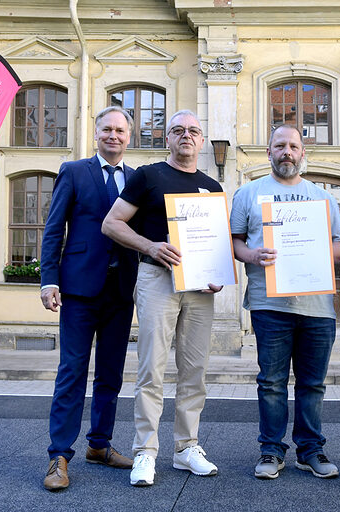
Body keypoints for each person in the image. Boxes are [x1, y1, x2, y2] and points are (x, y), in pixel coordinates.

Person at [102, 110, 223, 487]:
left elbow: (216, 242)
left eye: (193, 131)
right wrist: (151, 247)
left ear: (201, 141)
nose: (186, 136)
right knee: (151, 369)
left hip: (199, 289)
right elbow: (112, 223)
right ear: (166, 138)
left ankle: (186, 448)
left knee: (194, 371)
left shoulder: (212, 187)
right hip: (156, 278)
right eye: (178, 130)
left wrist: (216, 274)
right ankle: (145, 452)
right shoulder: (148, 176)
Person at [229, 124, 340, 480]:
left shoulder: (323, 197)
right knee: (272, 382)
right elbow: (234, 242)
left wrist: (315, 250)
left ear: (302, 153)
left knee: (313, 383)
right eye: (279, 146)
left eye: (293, 146)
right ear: (268, 153)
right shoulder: (248, 194)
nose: (287, 152)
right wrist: (252, 254)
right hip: (269, 304)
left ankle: (310, 450)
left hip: (317, 307)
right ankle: (271, 451)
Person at [40, 106, 139, 491]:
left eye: (120, 130)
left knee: (111, 373)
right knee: (72, 372)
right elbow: (53, 229)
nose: (113, 135)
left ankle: (99, 445)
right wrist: (49, 280)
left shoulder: (136, 179)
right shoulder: (74, 171)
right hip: (79, 290)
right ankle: (59, 456)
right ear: (96, 133)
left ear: (129, 137)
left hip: (120, 292)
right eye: (107, 129)